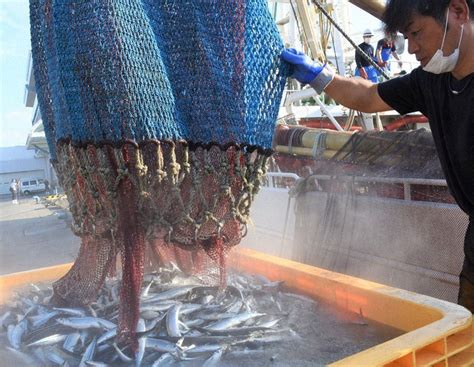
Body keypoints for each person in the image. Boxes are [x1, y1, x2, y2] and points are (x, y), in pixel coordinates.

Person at [281, 0, 474, 311]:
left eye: (416, 33)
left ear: (459, 11)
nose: (411, 48)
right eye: (406, 37)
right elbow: (368, 96)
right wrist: (318, 76)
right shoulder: (431, 81)